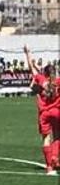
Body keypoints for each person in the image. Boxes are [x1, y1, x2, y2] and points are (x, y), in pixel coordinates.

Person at [24, 46, 60, 175]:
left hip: (44, 113)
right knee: (57, 135)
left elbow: (31, 69)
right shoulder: (58, 81)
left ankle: (49, 167)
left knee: (46, 138)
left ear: (44, 73)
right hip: (57, 111)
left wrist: (28, 53)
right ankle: (55, 157)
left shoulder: (41, 79)